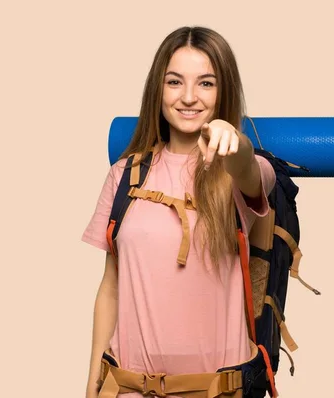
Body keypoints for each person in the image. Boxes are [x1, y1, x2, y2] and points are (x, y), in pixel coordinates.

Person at [82, 26, 276, 398]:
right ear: (158, 89)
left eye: (206, 83)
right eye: (175, 82)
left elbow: (248, 169)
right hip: (126, 389)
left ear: (225, 93)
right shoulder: (125, 175)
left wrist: (233, 142)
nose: (188, 97)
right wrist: (92, 387)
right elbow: (110, 288)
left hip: (217, 392)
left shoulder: (246, 174)